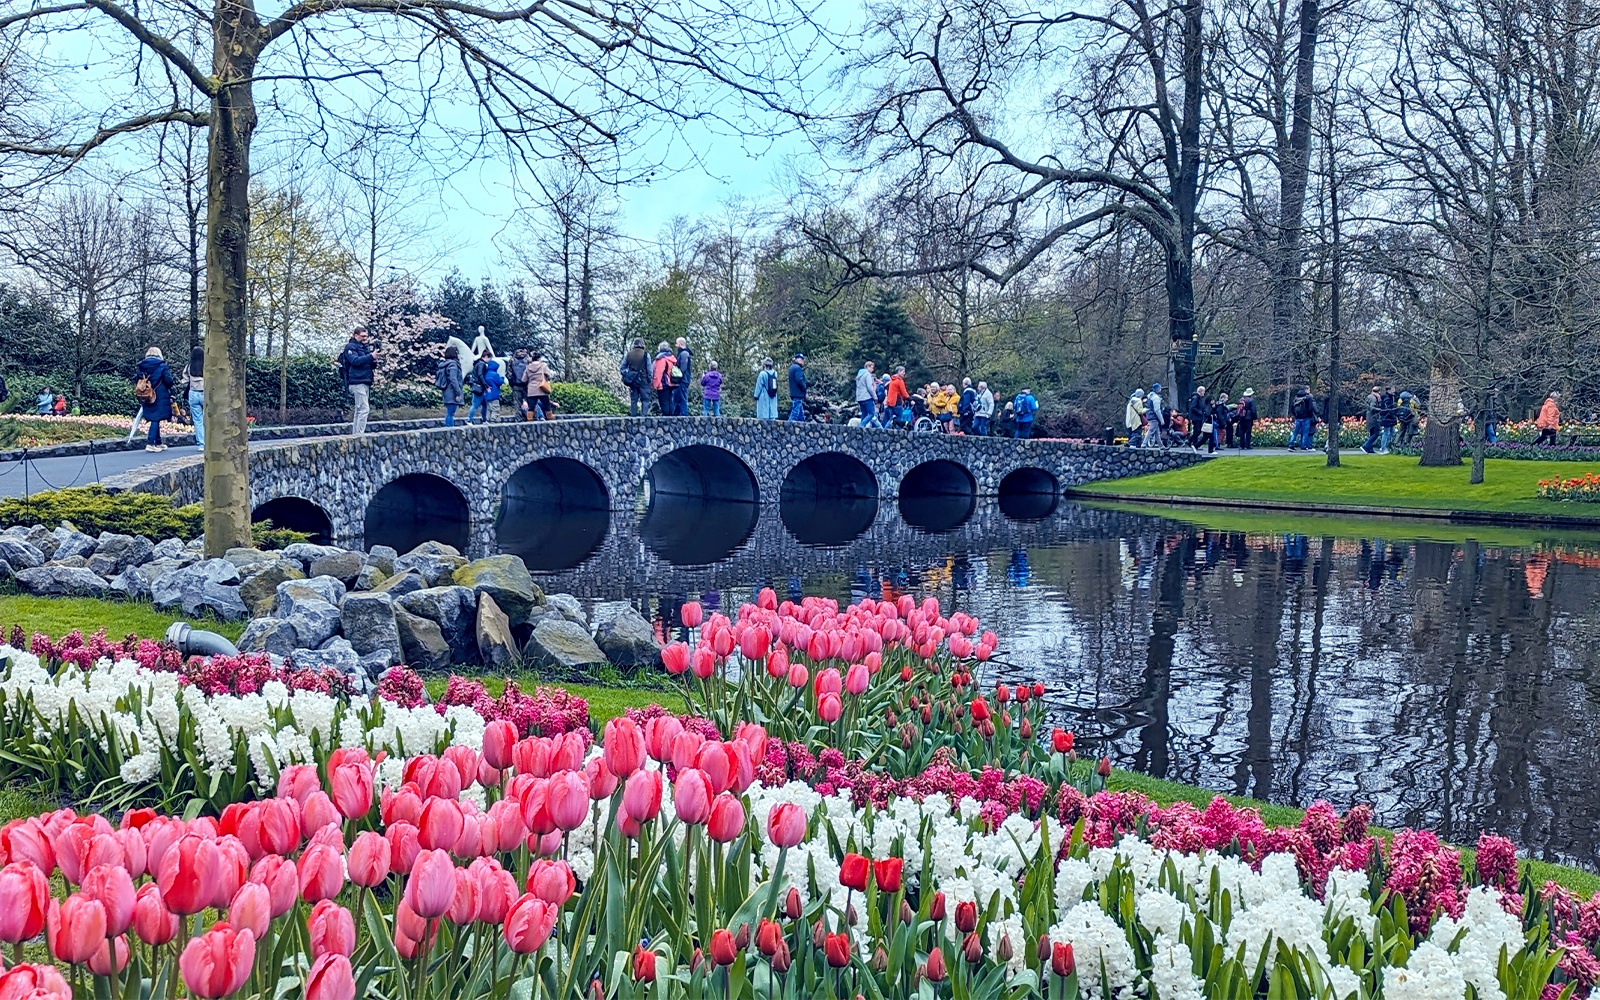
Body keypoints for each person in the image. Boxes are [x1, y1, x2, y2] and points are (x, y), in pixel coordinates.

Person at [133, 346, 174, 452]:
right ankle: (151, 443)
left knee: (155, 417)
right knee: (156, 419)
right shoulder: (162, 365)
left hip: (146, 394)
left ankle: (158, 442)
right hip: (159, 394)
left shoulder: (141, 366)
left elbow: (138, 380)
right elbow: (168, 380)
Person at [337, 326, 375, 435]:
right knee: (364, 409)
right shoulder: (350, 347)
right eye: (362, 336)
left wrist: (374, 359)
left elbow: (369, 364)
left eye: (366, 336)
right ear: (356, 335)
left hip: (365, 381)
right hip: (356, 381)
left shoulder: (365, 348)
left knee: (359, 410)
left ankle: (356, 434)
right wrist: (370, 356)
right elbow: (355, 361)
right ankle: (359, 435)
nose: (365, 338)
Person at [181, 347, 205, 448]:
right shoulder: (206, 366)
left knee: (198, 420)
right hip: (205, 393)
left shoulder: (189, 366)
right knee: (208, 419)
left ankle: (201, 444)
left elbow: (184, 380)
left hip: (193, 393)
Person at [621, 338, 651, 417]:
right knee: (645, 399)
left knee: (634, 399)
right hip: (644, 380)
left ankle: (633, 416)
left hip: (633, 381)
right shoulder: (645, 354)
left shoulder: (629, 354)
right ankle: (643, 416)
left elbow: (622, 368)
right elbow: (649, 369)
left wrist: (628, 375)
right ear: (642, 344)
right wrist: (649, 379)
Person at [436, 344, 464, 426]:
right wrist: (458, 392)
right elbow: (453, 379)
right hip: (452, 391)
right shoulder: (453, 364)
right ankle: (449, 429)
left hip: (446, 391)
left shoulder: (445, 364)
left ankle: (448, 428)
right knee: (450, 413)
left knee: (449, 412)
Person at [522, 350, 552, 421]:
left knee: (531, 407)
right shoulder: (543, 366)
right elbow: (549, 375)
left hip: (531, 390)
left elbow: (524, 379)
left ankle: (529, 420)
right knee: (547, 405)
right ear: (539, 358)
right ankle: (550, 419)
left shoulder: (528, 367)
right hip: (542, 389)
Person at [651, 341, 679, 416]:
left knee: (664, 402)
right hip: (672, 382)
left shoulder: (661, 359)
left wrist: (655, 385)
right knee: (670, 401)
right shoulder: (672, 358)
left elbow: (658, 373)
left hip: (663, 384)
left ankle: (666, 420)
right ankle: (672, 419)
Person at [480, 351, 505, 423]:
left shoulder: (486, 374)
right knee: (495, 408)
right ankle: (494, 419)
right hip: (494, 394)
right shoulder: (495, 374)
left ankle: (487, 419)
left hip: (487, 395)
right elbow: (499, 382)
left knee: (489, 408)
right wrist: (502, 378)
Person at [853, 360, 877, 426]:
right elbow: (870, 387)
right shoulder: (867, 375)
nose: (872, 369)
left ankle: (861, 429)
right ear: (868, 367)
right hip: (867, 397)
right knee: (871, 413)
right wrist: (875, 397)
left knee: (864, 413)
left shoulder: (859, 376)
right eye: (872, 367)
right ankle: (862, 425)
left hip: (860, 398)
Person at [1186, 385, 1210, 449]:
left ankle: (1192, 442)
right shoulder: (1196, 398)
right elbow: (1193, 407)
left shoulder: (1198, 398)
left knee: (1197, 430)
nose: (1204, 393)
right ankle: (1192, 441)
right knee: (1197, 430)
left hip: (1198, 417)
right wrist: (1200, 412)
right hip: (1196, 417)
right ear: (1200, 391)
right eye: (1203, 391)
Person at [674, 337, 693, 417]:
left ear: (681, 344)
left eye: (677, 343)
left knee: (682, 398)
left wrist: (677, 375)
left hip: (683, 380)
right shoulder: (683, 353)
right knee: (679, 397)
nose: (675, 345)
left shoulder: (684, 354)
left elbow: (683, 368)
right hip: (683, 379)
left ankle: (683, 415)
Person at [1361, 387, 1383, 454]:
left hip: (1369, 417)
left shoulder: (1369, 396)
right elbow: (1372, 408)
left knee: (1372, 433)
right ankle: (1365, 445)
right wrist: (1380, 409)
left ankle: (1370, 449)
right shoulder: (1374, 398)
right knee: (1376, 433)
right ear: (1378, 391)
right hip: (1373, 417)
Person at [787, 353, 808, 421]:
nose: (803, 361)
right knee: (795, 414)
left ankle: (803, 427)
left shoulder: (792, 367)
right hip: (797, 393)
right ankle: (788, 426)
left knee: (800, 415)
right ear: (797, 359)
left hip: (794, 393)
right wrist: (804, 387)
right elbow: (799, 380)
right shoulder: (798, 368)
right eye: (801, 359)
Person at [510, 349, 531, 416]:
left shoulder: (512, 360)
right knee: (531, 402)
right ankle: (532, 417)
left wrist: (512, 384)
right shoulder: (528, 359)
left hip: (516, 385)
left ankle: (519, 419)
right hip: (527, 384)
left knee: (517, 403)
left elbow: (509, 374)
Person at [1379, 386, 1398, 453]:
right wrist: (1393, 415)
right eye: (1393, 390)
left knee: (1392, 433)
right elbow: (1388, 409)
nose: (1394, 391)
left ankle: (1388, 446)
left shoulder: (1390, 397)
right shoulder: (1387, 399)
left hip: (1389, 418)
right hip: (1387, 418)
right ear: (1388, 390)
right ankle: (1383, 448)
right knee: (1386, 433)